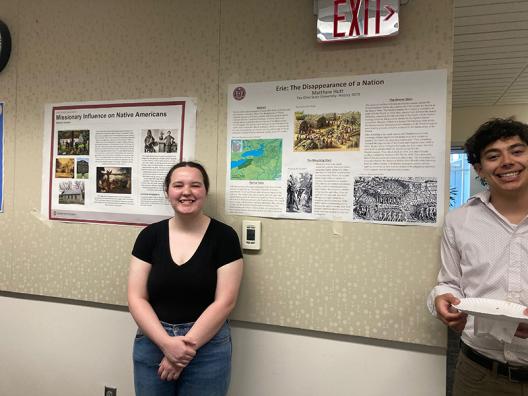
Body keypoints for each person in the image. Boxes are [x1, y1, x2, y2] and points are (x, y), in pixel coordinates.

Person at [427, 118, 528, 394]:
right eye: (493, 156)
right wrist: (441, 297)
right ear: (479, 169)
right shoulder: (459, 221)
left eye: (517, 151)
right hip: (478, 373)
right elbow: (449, 281)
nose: (507, 161)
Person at [128, 161, 244, 396]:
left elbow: (225, 301)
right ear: (168, 192)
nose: (186, 192)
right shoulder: (150, 236)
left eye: (195, 185)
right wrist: (166, 344)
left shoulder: (224, 237)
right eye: (178, 185)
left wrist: (181, 350)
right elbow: (136, 296)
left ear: (206, 191)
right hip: (153, 341)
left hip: (208, 347)